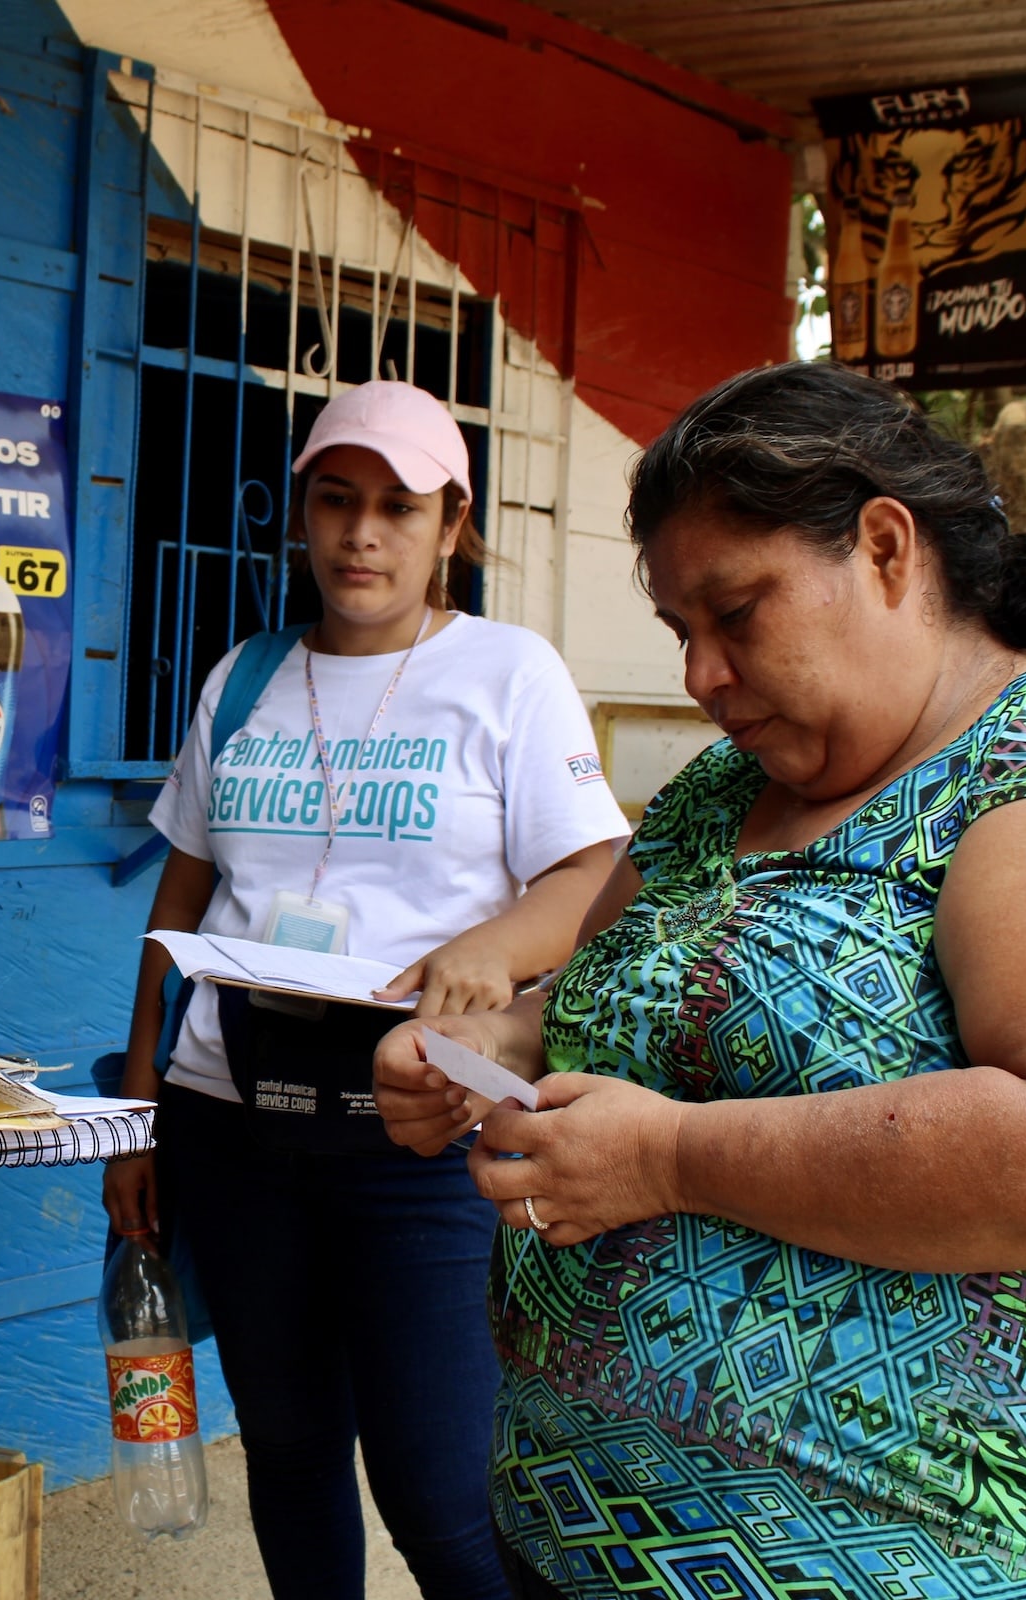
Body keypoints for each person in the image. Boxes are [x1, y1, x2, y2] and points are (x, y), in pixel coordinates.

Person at [376, 361, 1026, 1599]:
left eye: (738, 613)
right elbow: (586, 1007)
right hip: (575, 1541)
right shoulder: (717, 799)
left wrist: (670, 1158)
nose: (701, 676)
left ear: (887, 550)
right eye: (685, 632)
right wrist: (491, 1046)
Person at [103, 380, 629, 1598]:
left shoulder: (506, 672)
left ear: (454, 526)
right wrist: (138, 1117)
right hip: (233, 1129)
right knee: (286, 1453)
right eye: (336, 501)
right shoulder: (245, 676)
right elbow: (175, 910)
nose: (362, 534)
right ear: (301, 513)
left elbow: (592, 875)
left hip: (420, 1138)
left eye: (400, 506)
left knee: (440, 1495)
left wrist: (494, 942)